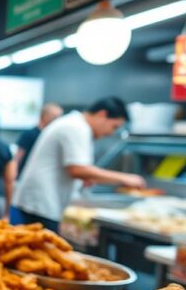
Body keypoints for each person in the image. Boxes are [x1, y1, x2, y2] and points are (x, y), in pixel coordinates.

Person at [13, 96, 146, 232]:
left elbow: (75, 169)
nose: (110, 133)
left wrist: (86, 177)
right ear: (102, 114)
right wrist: (125, 178)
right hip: (41, 205)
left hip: (39, 203)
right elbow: (77, 169)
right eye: (114, 127)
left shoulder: (75, 124)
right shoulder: (76, 127)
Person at [15, 103, 63, 176]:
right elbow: (18, 157)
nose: (58, 120)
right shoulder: (29, 134)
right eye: (55, 117)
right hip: (26, 174)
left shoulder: (55, 135)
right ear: (44, 115)